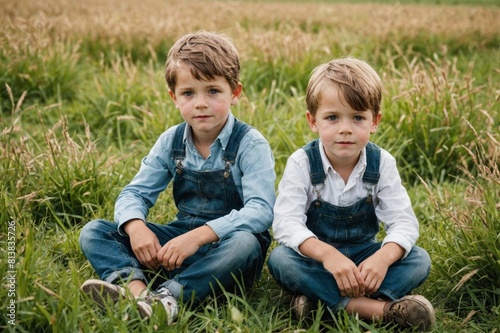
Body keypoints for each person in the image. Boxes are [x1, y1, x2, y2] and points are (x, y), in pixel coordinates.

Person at [79, 31, 276, 324]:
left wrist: (198, 238)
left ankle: (168, 299)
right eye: (188, 93)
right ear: (174, 97)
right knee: (95, 231)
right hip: (179, 241)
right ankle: (137, 294)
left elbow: (261, 211)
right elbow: (135, 193)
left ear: (234, 93)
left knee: (246, 242)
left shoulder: (250, 143)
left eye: (213, 91)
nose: (200, 103)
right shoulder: (171, 141)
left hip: (227, 252)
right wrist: (136, 228)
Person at [267, 57, 435, 331]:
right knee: (282, 260)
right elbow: (286, 223)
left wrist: (382, 259)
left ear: (374, 121)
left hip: (364, 255)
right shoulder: (302, 163)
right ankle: (378, 310)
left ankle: (316, 302)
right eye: (332, 117)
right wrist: (327, 255)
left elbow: (403, 223)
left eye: (357, 117)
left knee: (419, 259)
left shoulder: (382, 163)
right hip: (318, 259)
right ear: (313, 121)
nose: (345, 129)